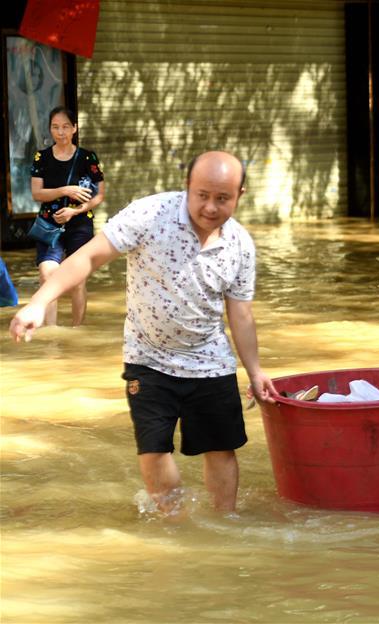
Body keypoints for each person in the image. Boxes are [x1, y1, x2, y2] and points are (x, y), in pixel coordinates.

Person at [9, 151, 278, 514]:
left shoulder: (240, 245)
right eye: (202, 195)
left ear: (240, 194)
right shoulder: (151, 215)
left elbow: (240, 314)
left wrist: (256, 371)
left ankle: (224, 522)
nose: (210, 207)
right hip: (148, 357)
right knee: (153, 449)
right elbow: (88, 257)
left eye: (222, 198)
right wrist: (39, 303)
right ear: (188, 187)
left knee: (221, 448)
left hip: (210, 360)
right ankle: (175, 526)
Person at [30, 106, 105, 326]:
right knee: (47, 275)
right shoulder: (41, 157)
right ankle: (51, 332)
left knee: (77, 281)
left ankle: (76, 331)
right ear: (50, 130)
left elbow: (99, 195)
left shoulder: (87, 157)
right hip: (49, 224)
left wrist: (76, 210)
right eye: (55, 127)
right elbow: (37, 193)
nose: (60, 132)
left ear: (74, 128)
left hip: (80, 224)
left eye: (65, 127)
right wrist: (66, 190)